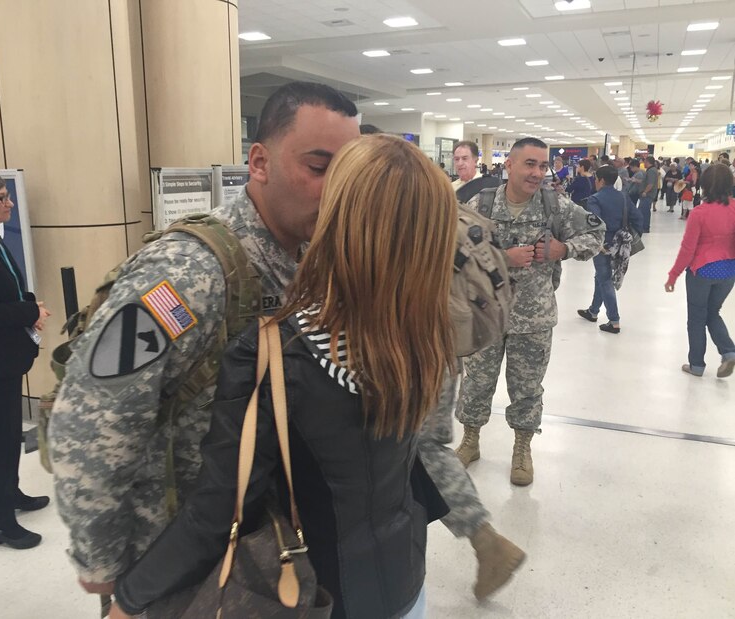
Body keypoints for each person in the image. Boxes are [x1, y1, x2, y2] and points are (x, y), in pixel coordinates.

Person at [50, 81, 522, 602]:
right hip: (180, 559)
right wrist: (101, 559)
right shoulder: (191, 272)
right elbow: (92, 420)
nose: (336, 191)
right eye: (319, 168)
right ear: (259, 162)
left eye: (346, 174)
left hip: (278, 559)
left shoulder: (323, 255)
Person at [109, 134, 458, 619]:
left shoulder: (274, 355)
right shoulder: (427, 338)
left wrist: (128, 598)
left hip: (315, 594)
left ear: (339, 218)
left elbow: (220, 514)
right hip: (405, 579)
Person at [457, 138, 604, 485]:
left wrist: (563, 248)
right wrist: (501, 259)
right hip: (485, 313)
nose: (537, 173)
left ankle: (522, 449)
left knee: (527, 388)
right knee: (476, 382)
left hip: (533, 317)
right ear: (509, 165)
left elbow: (598, 233)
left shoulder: (557, 207)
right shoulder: (481, 202)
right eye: (530, 164)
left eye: (543, 165)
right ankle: (470, 440)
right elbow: (453, 248)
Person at [0, 167, 51, 550]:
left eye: (7, 195)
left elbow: (10, 292)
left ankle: (12, 494)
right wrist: (29, 311)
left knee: (8, 436)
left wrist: (28, 306)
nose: (10, 203)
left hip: (6, 359)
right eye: (0, 198)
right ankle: (0, 522)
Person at [665, 163, 735, 378]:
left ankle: (696, 364)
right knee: (712, 312)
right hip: (729, 271)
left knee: (696, 317)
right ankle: (729, 351)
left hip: (702, 271)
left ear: (703, 185)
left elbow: (688, 249)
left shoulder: (699, 213)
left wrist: (673, 274)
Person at [577, 165, 643, 334]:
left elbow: (596, 223)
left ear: (601, 180)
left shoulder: (594, 199)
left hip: (603, 245)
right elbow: (637, 217)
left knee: (605, 278)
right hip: (620, 243)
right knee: (601, 275)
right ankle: (593, 311)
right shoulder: (623, 197)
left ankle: (614, 321)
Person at [638, 156, 659, 232]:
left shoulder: (651, 171)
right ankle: (643, 226)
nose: (644, 163)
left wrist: (645, 192)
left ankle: (645, 227)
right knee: (643, 210)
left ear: (648, 162)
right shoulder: (650, 170)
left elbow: (650, 184)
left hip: (648, 195)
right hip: (647, 194)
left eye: (645, 162)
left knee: (644, 211)